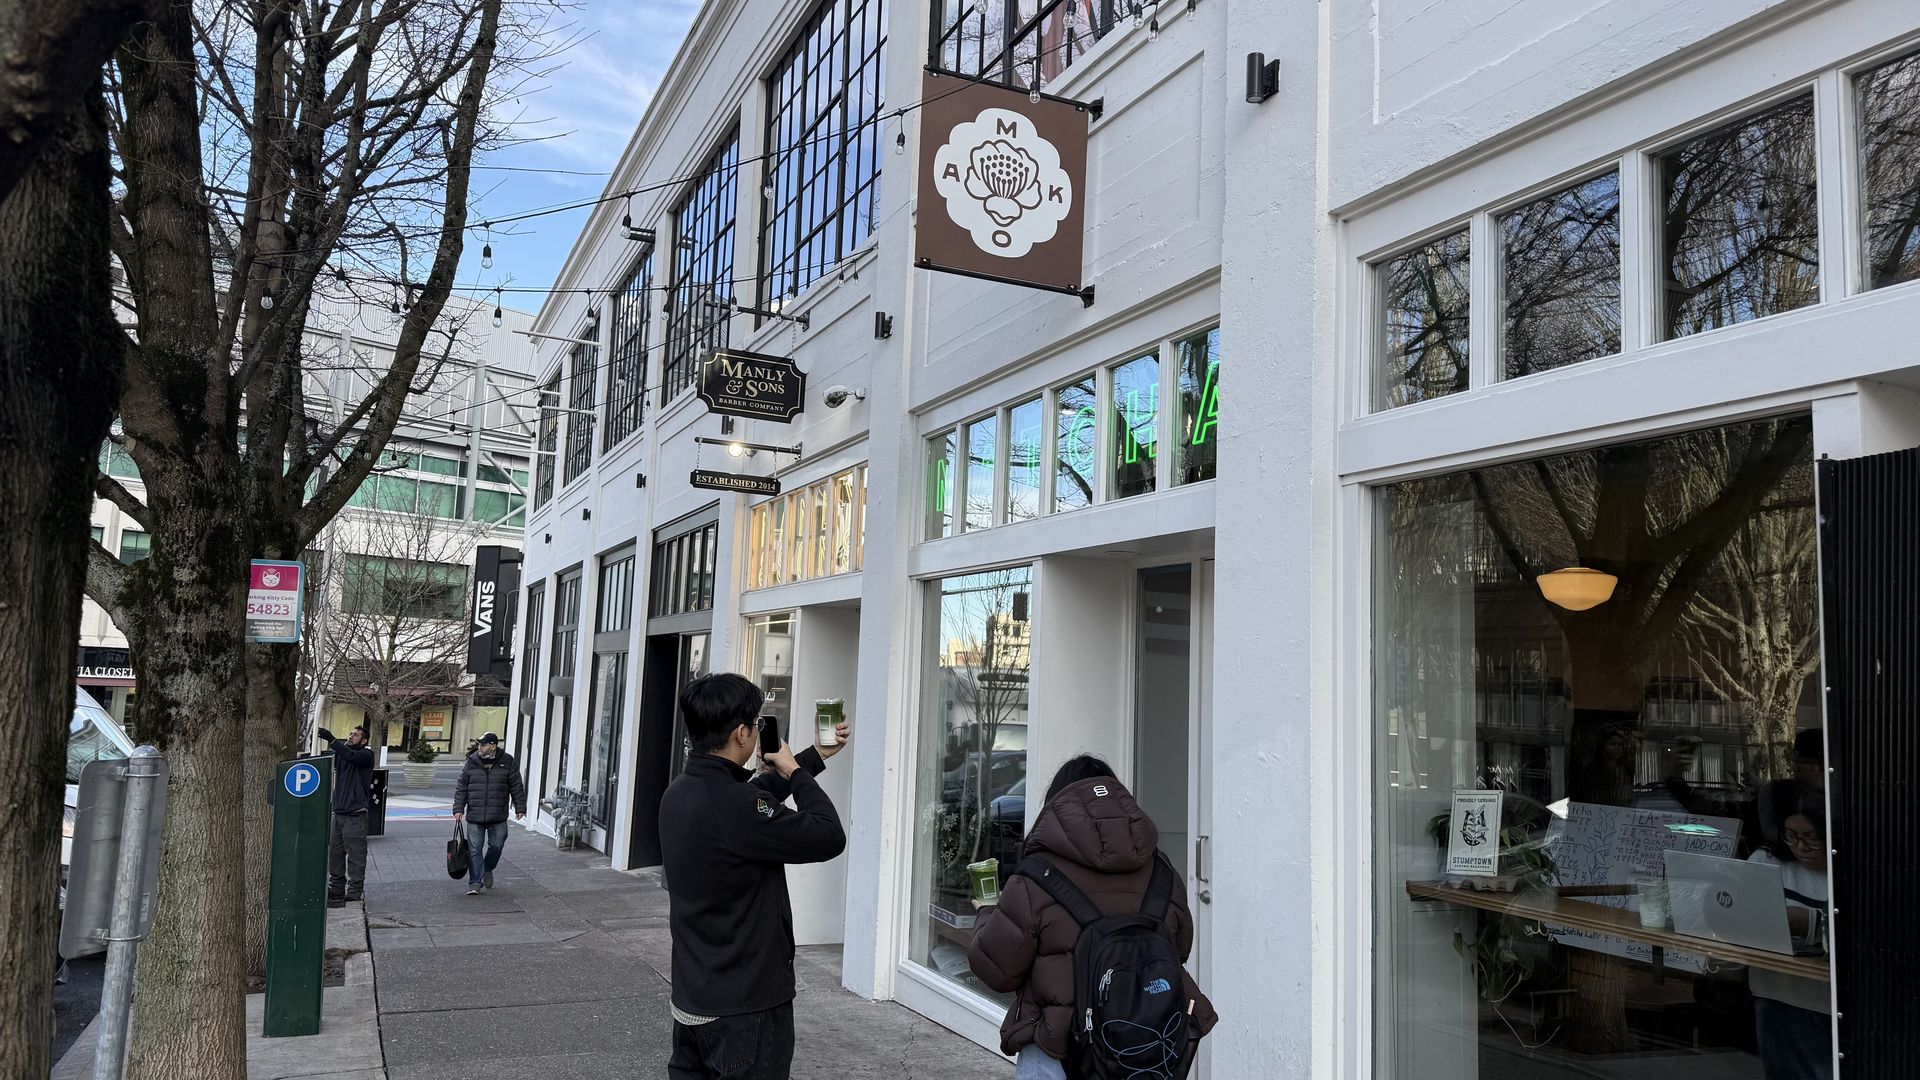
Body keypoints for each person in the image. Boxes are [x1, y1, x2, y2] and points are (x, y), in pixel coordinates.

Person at [968, 755, 1217, 1079]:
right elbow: (1179, 948)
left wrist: (988, 913)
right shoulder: (1161, 871)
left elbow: (996, 970)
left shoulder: (1036, 875)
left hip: (1059, 1054)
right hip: (1146, 1051)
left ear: (1057, 804)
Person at [659, 673, 851, 1080]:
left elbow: (753, 803)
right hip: (745, 1008)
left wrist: (813, 756)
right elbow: (828, 835)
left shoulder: (679, 792)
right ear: (743, 733)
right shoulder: (735, 806)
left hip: (695, 997)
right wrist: (797, 772)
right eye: (757, 724)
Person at [1747, 794, 1831, 1080]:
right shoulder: (1767, 861)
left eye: (1812, 838)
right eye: (1791, 836)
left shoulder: (1860, 869)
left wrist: (1808, 922)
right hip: (1777, 994)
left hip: (1833, 1000)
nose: (1800, 847)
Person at [452, 732, 526, 895]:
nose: (480, 748)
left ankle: (488, 867)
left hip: (498, 814)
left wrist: (520, 807)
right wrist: (458, 808)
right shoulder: (471, 762)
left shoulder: (507, 761)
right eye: (479, 745)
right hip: (475, 815)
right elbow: (461, 786)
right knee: (474, 850)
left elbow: (516, 785)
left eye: (483, 745)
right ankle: (475, 883)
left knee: (497, 845)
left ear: (493, 746)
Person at [317, 725, 375, 908]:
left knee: (356, 855)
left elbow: (351, 756)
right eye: (350, 733)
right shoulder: (343, 755)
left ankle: (355, 890)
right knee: (335, 854)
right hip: (340, 813)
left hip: (355, 815)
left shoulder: (366, 755)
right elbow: (337, 758)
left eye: (356, 735)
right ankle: (336, 888)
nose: (351, 736)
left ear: (364, 740)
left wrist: (332, 740)